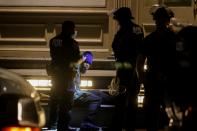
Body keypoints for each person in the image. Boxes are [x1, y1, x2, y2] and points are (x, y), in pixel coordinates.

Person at [136, 5, 176, 131]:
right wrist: (144, 79)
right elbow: (140, 62)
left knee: (154, 115)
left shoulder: (150, 39)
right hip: (163, 82)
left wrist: (143, 79)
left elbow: (140, 62)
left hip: (162, 82)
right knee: (160, 115)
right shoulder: (174, 39)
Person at [109, 7, 144, 131]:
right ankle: (129, 126)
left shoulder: (123, 30)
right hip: (133, 66)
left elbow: (115, 46)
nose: (117, 21)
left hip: (125, 67)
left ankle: (118, 125)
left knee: (121, 99)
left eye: (118, 19)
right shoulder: (137, 29)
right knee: (132, 98)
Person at [47, 20, 81, 131]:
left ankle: (52, 124)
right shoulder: (73, 43)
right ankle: (63, 126)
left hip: (56, 75)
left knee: (55, 100)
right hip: (68, 76)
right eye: (73, 28)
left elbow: (55, 56)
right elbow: (76, 59)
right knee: (66, 102)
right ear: (69, 29)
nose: (74, 31)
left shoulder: (53, 41)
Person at [73, 51, 110, 131]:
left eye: (89, 64)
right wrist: (81, 60)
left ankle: (115, 99)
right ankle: (86, 122)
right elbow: (73, 67)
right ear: (82, 61)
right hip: (73, 94)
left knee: (98, 92)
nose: (87, 66)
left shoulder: (79, 70)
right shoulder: (76, 67)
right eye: (86, 63)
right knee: (97, 99)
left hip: (78, 92)